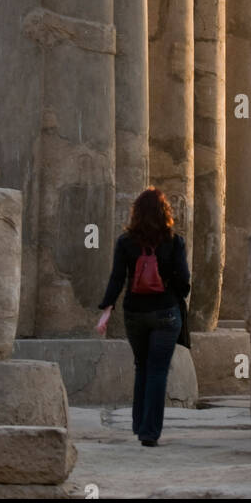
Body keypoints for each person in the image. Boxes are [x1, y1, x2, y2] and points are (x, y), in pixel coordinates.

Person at [96, 187, 190, 447]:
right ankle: (149, 433)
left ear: (136, 212)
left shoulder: (125, 242)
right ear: (165, 213)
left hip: (135, 312)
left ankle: (139, 425)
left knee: (142, 366)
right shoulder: (175, 241)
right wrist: (173, 292)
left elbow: (117, 279)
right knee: (158, 371)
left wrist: (106, 311)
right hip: (166, 312)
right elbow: (184, 280)